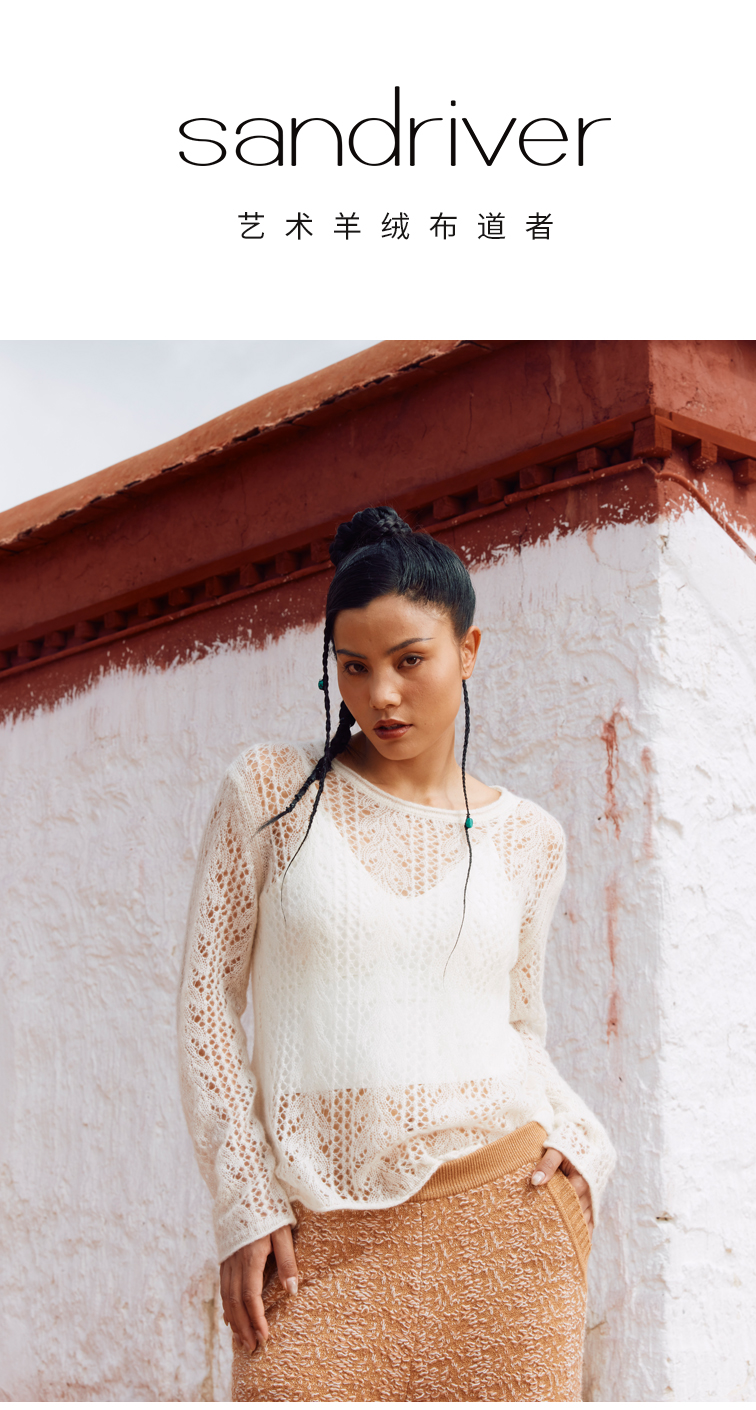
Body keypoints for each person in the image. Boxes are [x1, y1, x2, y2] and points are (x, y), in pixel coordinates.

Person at [178, 505, 616, 1402]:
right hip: (314, 1245)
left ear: (468, 650)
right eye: (355, 666)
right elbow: (205, 1002)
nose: (380, 694)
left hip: (505, 1233)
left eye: (410, 660)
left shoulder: (529, 839)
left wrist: (583, 1143)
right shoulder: (270, 793)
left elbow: (519, 1027)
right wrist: (245, 1198)